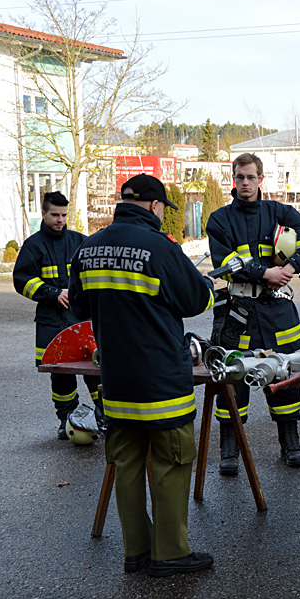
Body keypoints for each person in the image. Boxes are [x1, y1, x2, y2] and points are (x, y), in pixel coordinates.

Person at [68, 174, 215, 577]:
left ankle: (136, 552)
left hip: (115, 380)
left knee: (127, 465)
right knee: (171, 461)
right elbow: (195, 300)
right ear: (154, 207)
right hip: (161, 380)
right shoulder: (161, 248)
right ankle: (170, 554)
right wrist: (204, 282)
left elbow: (79, 306)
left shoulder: (89, 247)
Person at [205, 153, 300, 474]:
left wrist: (290, 266)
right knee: (232, 377)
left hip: (277, 311)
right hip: (236, 310)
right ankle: (230, 448)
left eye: (251, 177)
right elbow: (226, 260)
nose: (245, 183)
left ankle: (290, 442)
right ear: (234, 179)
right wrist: (264, 274)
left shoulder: (279, 212)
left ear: (261, 179)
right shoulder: (219, 219)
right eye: (240, 177)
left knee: (284, 374)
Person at [13, 191, 100, 439]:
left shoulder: (80, 241)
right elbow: (21, 280)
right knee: (61, 374)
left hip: (82, 318)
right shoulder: (33, 245)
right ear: (43, 214)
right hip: (52, 319)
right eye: (54, 215)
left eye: (63, 215)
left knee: (95, 368)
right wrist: (52, 293)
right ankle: (67, 420)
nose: (60, 220)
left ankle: (103, 414)